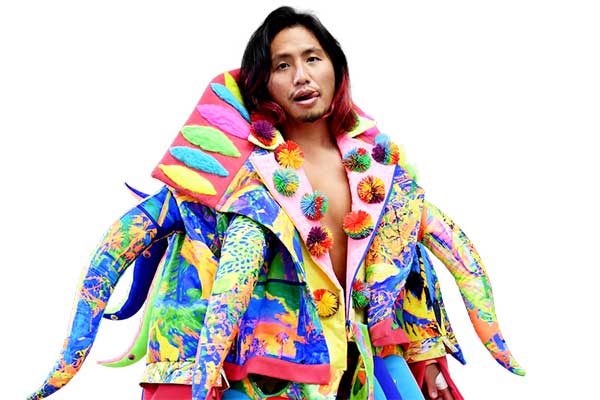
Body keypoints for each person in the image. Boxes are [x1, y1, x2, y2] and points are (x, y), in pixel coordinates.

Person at [29, 6, 524, 400]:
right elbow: (172, 263)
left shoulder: (380, 171)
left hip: (360, 373)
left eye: (312, 58)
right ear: (263, 83)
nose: (301, 75)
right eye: (281, 65)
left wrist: (425, 355)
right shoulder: (231, 178)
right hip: (265, 380)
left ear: (336, 67)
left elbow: (402, 268)